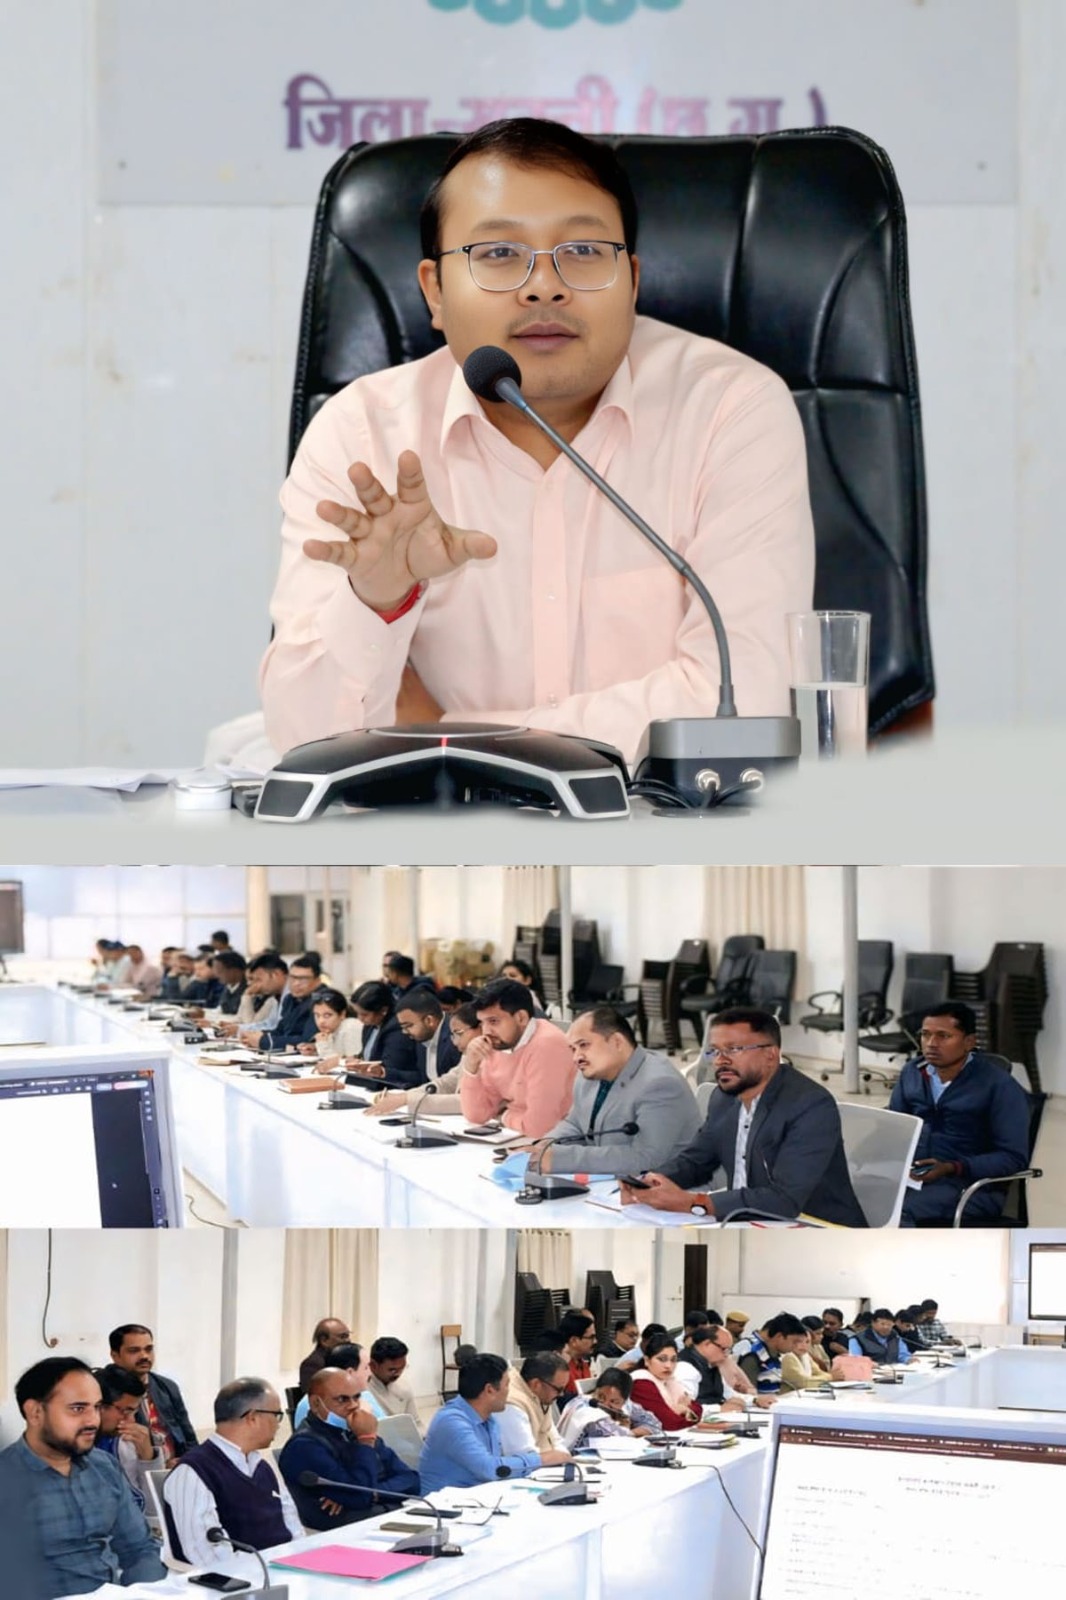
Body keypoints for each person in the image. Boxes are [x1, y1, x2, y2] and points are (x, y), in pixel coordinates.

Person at [261, 117, 814, 768]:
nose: (544, 285)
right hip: (438, 827)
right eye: (499, 254)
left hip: (670, 820)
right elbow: (306, 742)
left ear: (633, 280)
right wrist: (376, 601)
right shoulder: (364, 437)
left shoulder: (729, 409)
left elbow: (740, 706)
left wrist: (444, 737)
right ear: (435, 291)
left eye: (583, 251)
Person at [619, 1008, 867, 1226]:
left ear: (770, 1055)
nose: (720, 1060)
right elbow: (696, 1161)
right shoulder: (723, 1098)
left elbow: (784, 1200)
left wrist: (693, 1202)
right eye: (714, 1051)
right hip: (745, 1221)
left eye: (734, 1049)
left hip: (815, 1228)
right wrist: (650, 1181)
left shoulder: (810, 1105)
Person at [1, 1356, 166, 1596]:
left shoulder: (103, 1467)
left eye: (96, 1407)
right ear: (35, 1412)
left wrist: (143, 1593)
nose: (92, 1420)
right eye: (78, 1409)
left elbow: (139, 1549)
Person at [889, 1004, 1031, 1225]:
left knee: (897, 1211)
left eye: (943, 1036)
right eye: (925, 1035)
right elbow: (895, 1127)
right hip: (914, 1176)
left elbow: (1013, 1157)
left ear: (969, 1042)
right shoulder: (912, 1073)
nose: (931, 1043)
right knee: (849, 1196)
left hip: (969, 1186)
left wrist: (951, 1167)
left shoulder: (998, 1085)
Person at [524, 1006, 700, 1175]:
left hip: (671, 1186)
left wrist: (560, 1159)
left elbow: (645, 1157)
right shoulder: (590, 1074)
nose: (576, 1057)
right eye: (573, 1049)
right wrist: (543, 1146)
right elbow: (575, 1124)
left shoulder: (660, 1084)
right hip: (612, 1180)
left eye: (583, 1045)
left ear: (617, 1042)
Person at [162, 1378, 302, 1567]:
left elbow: (293, 1527)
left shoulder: (262, 1465)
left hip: (284, 1569)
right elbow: (204, 1552)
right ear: (252, 1417)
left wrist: (299, 1561)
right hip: (239, 1578)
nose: (278, 1425)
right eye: (276, 1415)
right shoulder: (193, 1471)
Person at [279, 1367, 419, 1531]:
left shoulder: (354, 1430)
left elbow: (411, 1480)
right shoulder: (304, 1445)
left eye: (357, 1397)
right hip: (340, 1533)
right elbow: (360, 1496)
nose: (353, 1406)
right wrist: (365, 1441)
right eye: (342, 1399)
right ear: (316, 1403)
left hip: (383, 1518)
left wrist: (374, 1493)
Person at [419, 1352, 568, 1491]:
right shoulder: (452, 1422)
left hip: (476, 1497)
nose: (509, 1391)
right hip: (443, 1504)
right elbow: (491, 1469)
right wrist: (542, 1459)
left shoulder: (489, 1419)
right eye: (507, 1385)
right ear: (490, 1390)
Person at [459, 977, 576, 1137]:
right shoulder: (498, 1043)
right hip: (520, 1135)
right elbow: (476, 1116)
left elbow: (540, 1127)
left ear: (521, 1018)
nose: (486, 1031)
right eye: (482, 1023)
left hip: (559, 1140)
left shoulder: (547, 1045)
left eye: (493, 1021)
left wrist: (505, 1116)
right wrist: (471, 1067)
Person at [365, 999, 480, 1117]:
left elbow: (467, 1101)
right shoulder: (467, 1053)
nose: (455, 1042)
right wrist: (403, 1097)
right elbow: (445, 1083)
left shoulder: (468, 1050)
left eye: (459, 1033)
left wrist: (407, 1099)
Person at [108, 1322, 197, 1460]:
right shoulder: (104, 1389)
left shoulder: (167, 1386)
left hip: (177, 1465)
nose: (144, 1356)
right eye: (134, 1350)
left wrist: (190, 1462)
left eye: (149, 1349)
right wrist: (159, 1462)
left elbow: (189, 1438)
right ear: (115, 1356)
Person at [92, 1364, 166, 1511]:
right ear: (99, 1406)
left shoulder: (123, 1443)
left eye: (134, 1412)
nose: (131, 1420)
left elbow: (154, 1509)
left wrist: (148, 1458)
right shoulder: (71, 1447)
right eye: (125, 1411)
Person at [557, 1367, 659, 1449]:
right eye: (601, 1396)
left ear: (624, 1400)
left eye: (614, 1401)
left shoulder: (627, 1405)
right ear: (596, 1390)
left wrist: (631, 1432)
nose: (605, 1404)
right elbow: (618, 1436)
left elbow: (655, 1425)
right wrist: (628, 1430)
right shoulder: (584, 1407)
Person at [293, 1343, 387, 1429]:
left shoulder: (365, 1394)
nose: (370, 1373)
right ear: (350, 1373)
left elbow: (385, 1426)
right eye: (366, 1367)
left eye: (356, 1397)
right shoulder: (314, 1403)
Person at [497, 1351, 571, 1456]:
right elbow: (524, 1455)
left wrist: (565, 1456)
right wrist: (563, 1457)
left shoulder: (540, 1394)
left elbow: (555, 1439)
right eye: (559, 1389)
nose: (562, 1394)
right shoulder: (511, 1405)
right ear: (536, 1384)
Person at [243, 956, 321, 1051]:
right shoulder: (289, 999)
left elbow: (307, 1040)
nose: (296, 983)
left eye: (303, 979)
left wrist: (264, 1041)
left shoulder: (321, 1001)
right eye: (292, 978)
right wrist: (258, 1036)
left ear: (317, 981)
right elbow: (281, 1030)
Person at [629, 1333, 706, 1429]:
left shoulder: (670, 1380)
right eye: (662, 1359)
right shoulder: (641, 1383)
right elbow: (669, 1423)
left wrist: (684, 1410)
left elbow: (698, 1408)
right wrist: (687, 1412)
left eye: (673, 1360)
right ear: (647, 1360)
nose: (668, 1366)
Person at [395, 986, 462, 1080]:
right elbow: (421, 1078)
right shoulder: (423, 1037)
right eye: (403, 1027)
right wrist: (384, 1073)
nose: (404, 1032)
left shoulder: (456, 1037)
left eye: (408, 1026)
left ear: (429, 1020)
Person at [733, 1313, 807, 1396]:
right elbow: (747, 1395)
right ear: (779, 1336)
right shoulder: (752, 1353)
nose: (796, 1346)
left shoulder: (772, 1351)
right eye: (795, 1342)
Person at [675, 1326, 747, 1410]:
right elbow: (685, 1407)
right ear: (707, 1344)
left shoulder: (711, 1365)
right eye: (724, 1349)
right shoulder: (685, 1368)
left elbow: (728, 1394)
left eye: (728, 1350)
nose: (726, 1355)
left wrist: (754, 1400)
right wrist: (719, 1409)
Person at [297, 986, 364, 1062]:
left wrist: (323, 1045)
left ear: (342, 1014)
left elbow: (352, 1064)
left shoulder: (351, 1027)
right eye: (317, 1015)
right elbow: (337, 1055)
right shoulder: (332, 1029)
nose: (321, 1021)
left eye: (327, 1015)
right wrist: (315, 1050)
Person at [367, 1337, 422, 1426]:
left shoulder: (404, 1387)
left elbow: (415, 1422)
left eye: (402, 1368)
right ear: (373, 1365)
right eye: (392, 1370)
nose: (398, 1374)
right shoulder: (362, 1389)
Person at [299, 1316, 353, 1392]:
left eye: (347, 1336)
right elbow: (317, 1395)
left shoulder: (344, 1359)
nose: (348, 1340)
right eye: (342, 1337)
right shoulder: (312, 1364)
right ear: (324, 1340)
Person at [557, 1311, 598, 1394]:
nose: (595, 1341)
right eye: (591, 1337)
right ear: (574, 1341)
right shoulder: (558, 1369)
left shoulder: (583, 1363)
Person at [213, 950, 248, 1014]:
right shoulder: (228, 987)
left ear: (235, 971)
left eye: (219, 971)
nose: (216, 975)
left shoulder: (248, 989)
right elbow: (221, 1009)